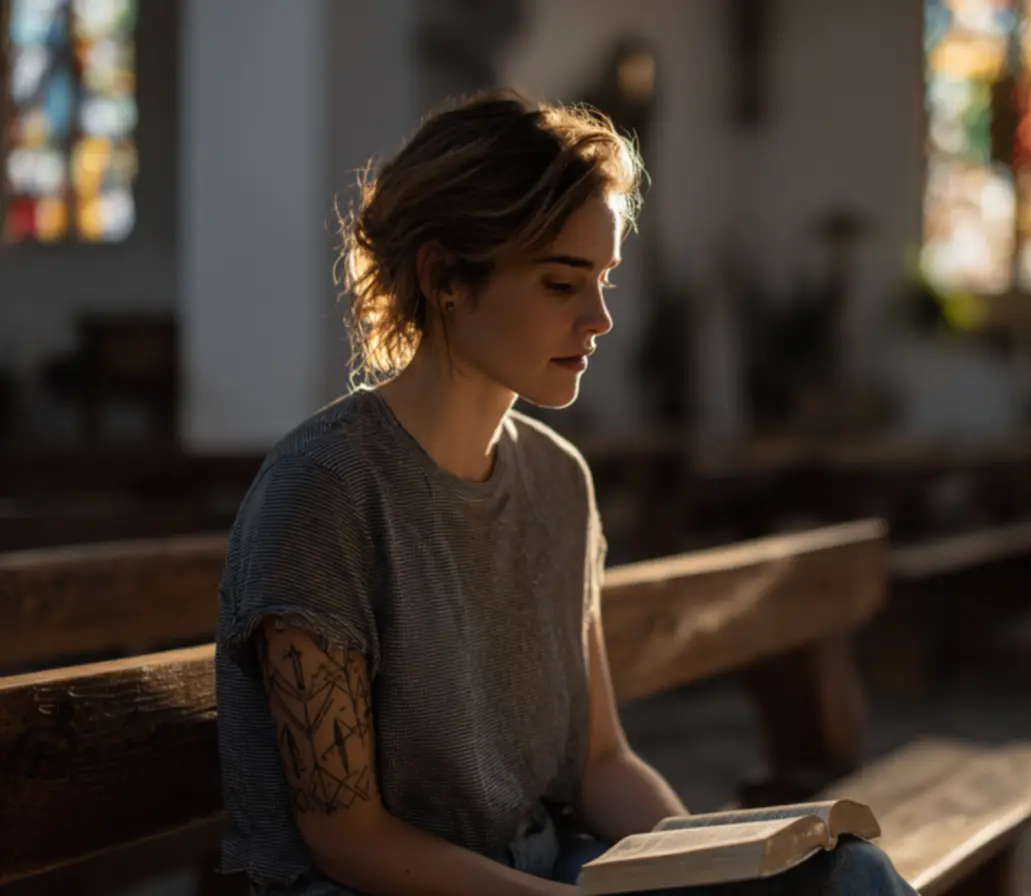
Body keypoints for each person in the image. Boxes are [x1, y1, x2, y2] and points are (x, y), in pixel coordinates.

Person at [214, 89, 917, 896]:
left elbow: (601, 763)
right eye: (560, 284)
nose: (599, 318)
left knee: (848, 877)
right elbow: (347, 838)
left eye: (605, 280)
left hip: (547, 868)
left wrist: (709, 868)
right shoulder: (323, 492)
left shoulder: (557, 482)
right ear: (444, 277)